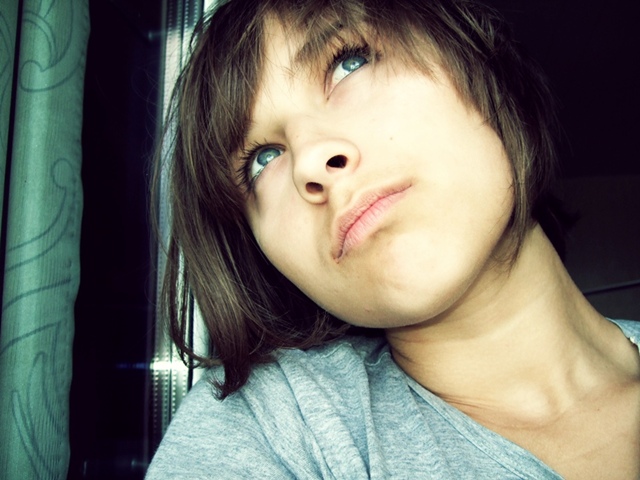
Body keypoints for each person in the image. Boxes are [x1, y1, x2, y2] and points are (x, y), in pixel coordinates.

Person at [146, 0, 640, 478]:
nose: (310, 161)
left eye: (349, 63)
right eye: (263, 159)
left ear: (480, 56)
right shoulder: (271, 427)